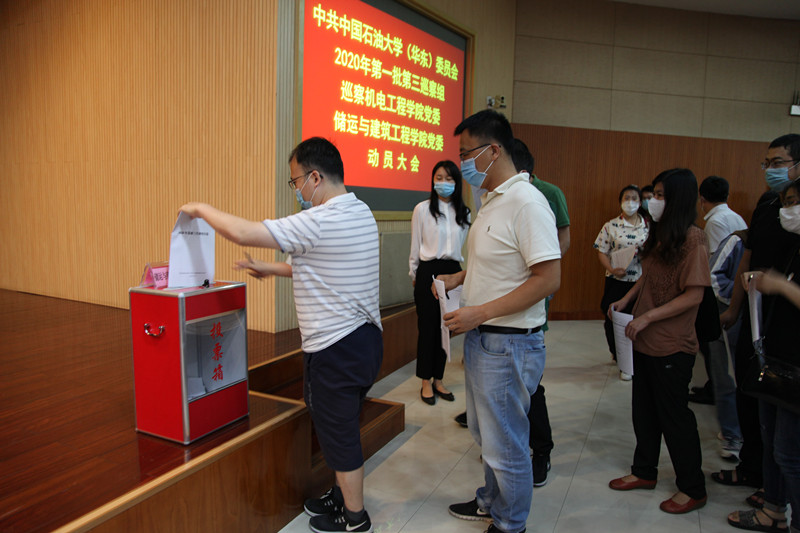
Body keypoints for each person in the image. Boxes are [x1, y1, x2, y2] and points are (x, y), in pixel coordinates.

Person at [180, 137, 382, 533]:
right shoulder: (359, 211)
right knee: (339, 425)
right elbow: (320, 267)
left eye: (296, 182)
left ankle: (355, 518)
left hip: (336, 347)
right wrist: (269, 269)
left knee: (339, 433)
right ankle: (342, 495)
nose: (297, 191)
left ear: (315, 177)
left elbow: (244, 232)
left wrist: (200, 208)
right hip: (363, 341)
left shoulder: (320, 220)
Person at [440, 110, 561, 533]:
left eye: (466, 153)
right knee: (486, 434)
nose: (462, 163)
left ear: (493, 151)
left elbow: (548, 279)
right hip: (484, 338)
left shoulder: (527, 202)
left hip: (509, 341)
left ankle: (511, 523)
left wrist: (481, 312)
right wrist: (460, 278)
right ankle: (491, 501)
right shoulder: (492, 200)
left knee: (506, 443)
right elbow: (500, 264)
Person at [607, 168, 709, 515]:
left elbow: (694, 295)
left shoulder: (693, 239)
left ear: (678, 198)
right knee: (644, 412)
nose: (653, 200)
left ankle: (692, 487)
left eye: (661, 195)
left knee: (674, 417)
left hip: (672, 344)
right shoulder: (659, 233)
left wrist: (649, 317)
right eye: (654, 194)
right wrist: (627, 300)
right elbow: (648, 276)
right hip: (643, 340)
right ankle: (644, 471)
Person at [712, 134, 800, 498]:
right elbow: (748, 256)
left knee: (785, 429)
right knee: (753, 398)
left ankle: (776, 495)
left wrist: (780, 286)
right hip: (758, 317)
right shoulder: (768, 205)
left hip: (788, 326)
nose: (770, 170)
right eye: (767, 164)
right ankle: (756, 474)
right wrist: (734, 307)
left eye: (778, 163)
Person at [727, 180, 800, 533]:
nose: (788, 210)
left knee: (789, 451)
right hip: (778, 354)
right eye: (785, 203)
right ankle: (773, 509)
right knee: (772, 440)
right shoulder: (793, 245)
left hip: (796, 363)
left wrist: (782, 285)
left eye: (794, 202)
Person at [514, 137, 570, 487]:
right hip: (501, 310)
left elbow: (562, 240)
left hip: (531, 300)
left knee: (530, 381)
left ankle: (541, 450)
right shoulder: (497, 196)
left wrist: (541, 278)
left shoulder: (547, 193)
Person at [690, 175, 748, 459]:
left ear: (702, 199)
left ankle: (731, 434)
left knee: (724, 370)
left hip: (723, 302)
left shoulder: (714, 223)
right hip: (738, 300)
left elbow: (712, 267)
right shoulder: (737, 217)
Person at [409, 160, 470, 405]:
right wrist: (414, 274)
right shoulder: (422, 209)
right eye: (439, 178)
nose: (443, 183)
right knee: (427, 329)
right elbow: (415, 246)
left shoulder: (464, 212)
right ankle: (425, 380)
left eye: (449, 178)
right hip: (428, 271)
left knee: (446, 328)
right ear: (432, 181)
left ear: (457, 182)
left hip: (453, 271)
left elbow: (462, 247)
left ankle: (439, 379)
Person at [593, 185, 649, 380]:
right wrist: (611, 268)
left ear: (640, 202)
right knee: (613, 317)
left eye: (635, 198)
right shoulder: (611, 226)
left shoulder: (648, 227)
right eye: (627, 198)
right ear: (620, 201)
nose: (630, 202)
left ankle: (633, 359)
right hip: (616, 279)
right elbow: (601, 251)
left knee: (636, 318)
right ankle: (618, 355)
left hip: (639, 280)